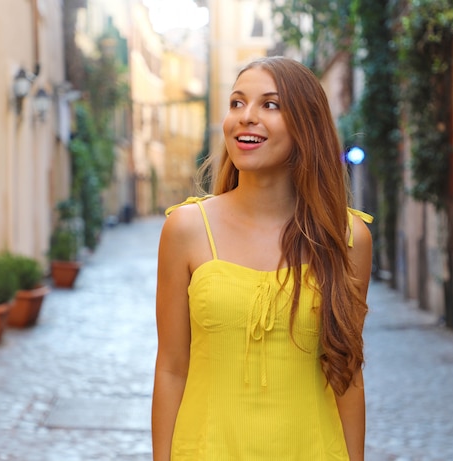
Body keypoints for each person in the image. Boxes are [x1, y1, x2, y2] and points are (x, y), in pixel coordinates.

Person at [152, 56, 373, 461]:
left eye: (269, 105)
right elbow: (170, 367)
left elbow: (348, 375)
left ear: (306, 125)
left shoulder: (347, 238)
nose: (246, 117)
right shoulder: (186, 229)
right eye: (237, 103)